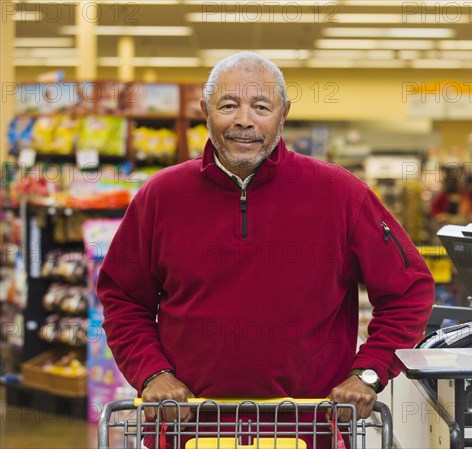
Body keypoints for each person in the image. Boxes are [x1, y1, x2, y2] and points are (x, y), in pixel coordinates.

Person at [97, 52, 435, 447]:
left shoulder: (341, 195)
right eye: (228, 105)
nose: (244, 120)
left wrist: (369, 373)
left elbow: (409, 291)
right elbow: (123, 299)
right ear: (205, 110)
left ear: (284, 113)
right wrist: (153, 373)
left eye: (261, 106)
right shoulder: (161, 196)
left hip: (309, 430)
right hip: (188, 431)